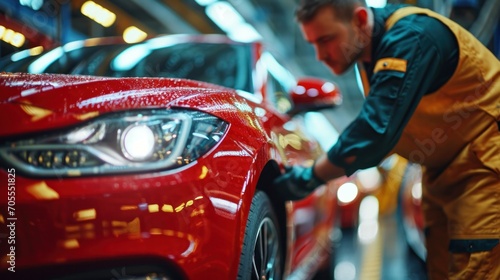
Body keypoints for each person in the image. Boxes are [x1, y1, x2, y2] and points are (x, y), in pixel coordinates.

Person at [273, 0, 500, 279]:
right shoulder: (369, 55)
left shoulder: (410, 37)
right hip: (441, 171)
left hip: (486, 162)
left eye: (327, 39)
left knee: (476, 268)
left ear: (359, 20)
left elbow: (374, 133)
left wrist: (308, 177)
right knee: (443, 268)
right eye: (313, 44)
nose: (320, 55)